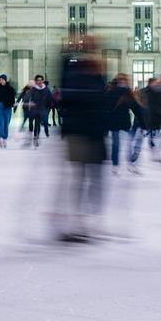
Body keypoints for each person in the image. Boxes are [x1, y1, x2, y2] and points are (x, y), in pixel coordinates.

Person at [57, 40, 107, 240]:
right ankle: (78, 222)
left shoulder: (97, 75)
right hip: (79, 133)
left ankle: (84, 221)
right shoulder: (75, 71)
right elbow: (68, 92)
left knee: (91, 180)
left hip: (91, 133)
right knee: (81, 179)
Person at [104, 73, 144, 173]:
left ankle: (129, 164)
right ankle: (115, 164)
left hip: (124, 122)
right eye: (121, 79)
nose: (123, 81)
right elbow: (106, 107)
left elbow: (136, 108)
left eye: (124, 79)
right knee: (116, 144)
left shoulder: (128, 92)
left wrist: (143, 123)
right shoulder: (111, 91)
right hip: (114, 122)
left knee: (128, 143)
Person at [23, 74, 55, 147]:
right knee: (33, 123)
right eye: (38, 80)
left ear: (42, 81)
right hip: (34, 109)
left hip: (41, 109)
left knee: (37, 124)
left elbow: (50, 98)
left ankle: (36, 137)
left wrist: (50, 105)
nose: (39, 82)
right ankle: (34, 136)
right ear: (36, 81)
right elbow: (26, 96)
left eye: (41, 80)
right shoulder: (33, 89)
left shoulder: (46, 89)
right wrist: (27, 102)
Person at [0, 74, 17, 147]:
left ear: (5, 80)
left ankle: (5, 137)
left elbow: (12, 98)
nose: (1, 81)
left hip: (7, 107)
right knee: (0, 122)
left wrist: (12, 104)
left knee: (6, 122)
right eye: (0, 80)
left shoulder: (10, 88)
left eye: (3, 79)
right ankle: (0, 137)